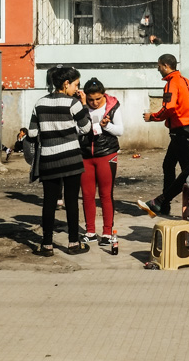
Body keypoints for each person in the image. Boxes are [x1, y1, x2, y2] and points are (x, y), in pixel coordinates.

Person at [26, 66, 92, 257]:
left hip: (49, 160)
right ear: (66, 83)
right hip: (71, 159)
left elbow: (32, 133)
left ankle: (46, 245)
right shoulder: (73, 103)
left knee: (49, 202)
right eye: (76, 84)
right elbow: (86, 128)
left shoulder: (39, 103)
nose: (77, 88)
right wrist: (84, 105)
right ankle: (73, 243)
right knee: (71, 202)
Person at [139, 54, 189, 217]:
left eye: (159, 66)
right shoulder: (185, 81)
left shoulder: (172, 83)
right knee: (168, 165)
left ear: (165, 66)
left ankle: (184, 205)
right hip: (187, 129)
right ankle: (164, 204)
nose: (158, 69)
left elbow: (169, 107)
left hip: (180, 131)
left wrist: (153, 117)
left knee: (187, 171)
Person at [79, 78, 123, 246]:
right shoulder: (80, 106)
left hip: (106, 153)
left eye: (98, 99)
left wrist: (107, 127)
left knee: (106, 194)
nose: (95, 102)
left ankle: (106, 232)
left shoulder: (112, 105)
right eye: (90, 99)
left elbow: (120, 130)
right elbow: (76, 128)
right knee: (87, 194)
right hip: (85, 155)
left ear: (103, 95)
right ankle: (90, 231)